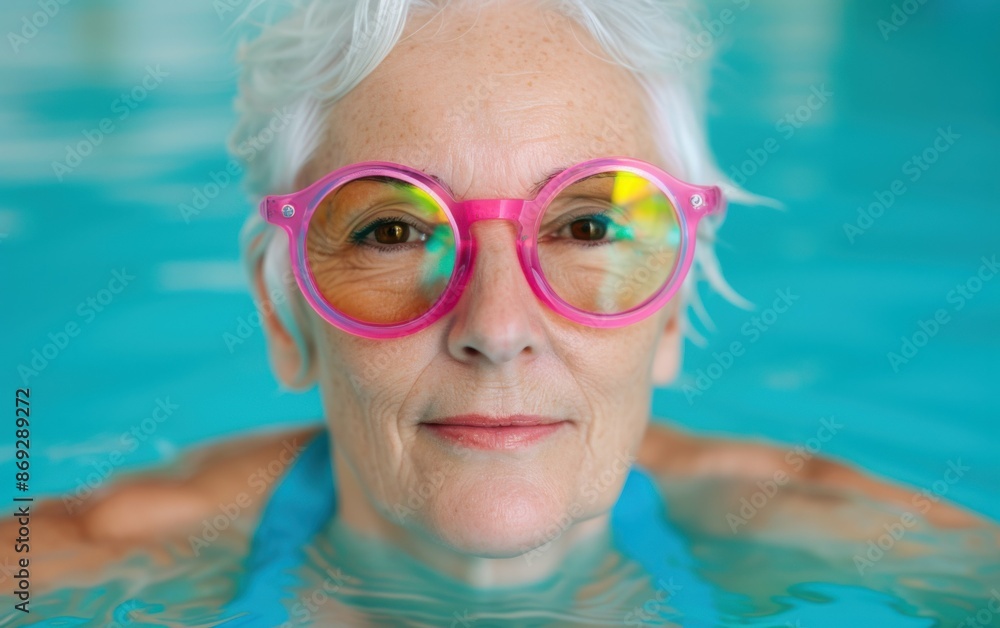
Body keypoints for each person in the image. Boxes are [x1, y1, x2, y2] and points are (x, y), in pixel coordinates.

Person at [6, 0, 994, 623]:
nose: (498, 323)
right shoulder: (88, 559)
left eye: (586, 228)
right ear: (282, 315)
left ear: (675, 310)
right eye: (393, 231)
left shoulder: (815, 531)